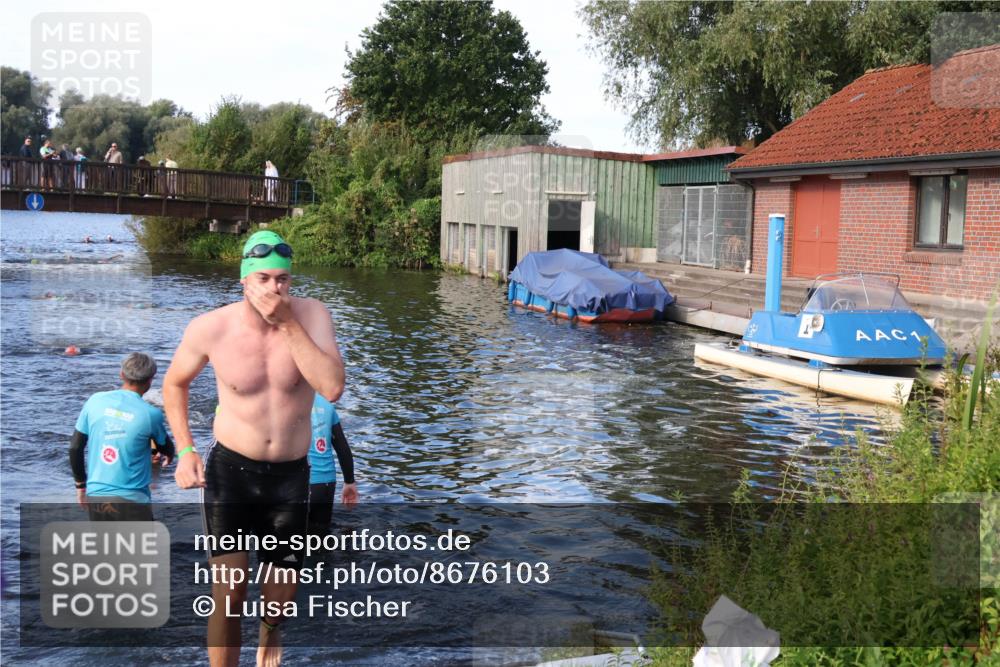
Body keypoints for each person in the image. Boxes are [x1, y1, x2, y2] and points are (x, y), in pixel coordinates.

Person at [163, 229, 345, 667]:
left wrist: (287, 323)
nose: (274, 289)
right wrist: (185, 450)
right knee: (229, 593)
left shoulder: (312, 316)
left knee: (280, 592)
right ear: (244, 280)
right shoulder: (211, 327)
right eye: (263, 279)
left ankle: (270, 632)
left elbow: (332, 386)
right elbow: (174, 384)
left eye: (282, 279)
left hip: (291, 474)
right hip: (232, 473)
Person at [69, 353, 175, 521]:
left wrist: (81, 486)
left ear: (121, 375)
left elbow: (75, 447)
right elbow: (167, 448)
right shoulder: (151, 414)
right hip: (134, 500)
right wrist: (169, 455)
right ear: (150, 380)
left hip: (98, 497)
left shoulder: (94, 401)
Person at [307, 395, 358, 537]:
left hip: (298, 483)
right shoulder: (326, 405)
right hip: (325, 484)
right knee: (321, 540)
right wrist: (349, 482)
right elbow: (342, 448)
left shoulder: (286, 400)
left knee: (288, 546)